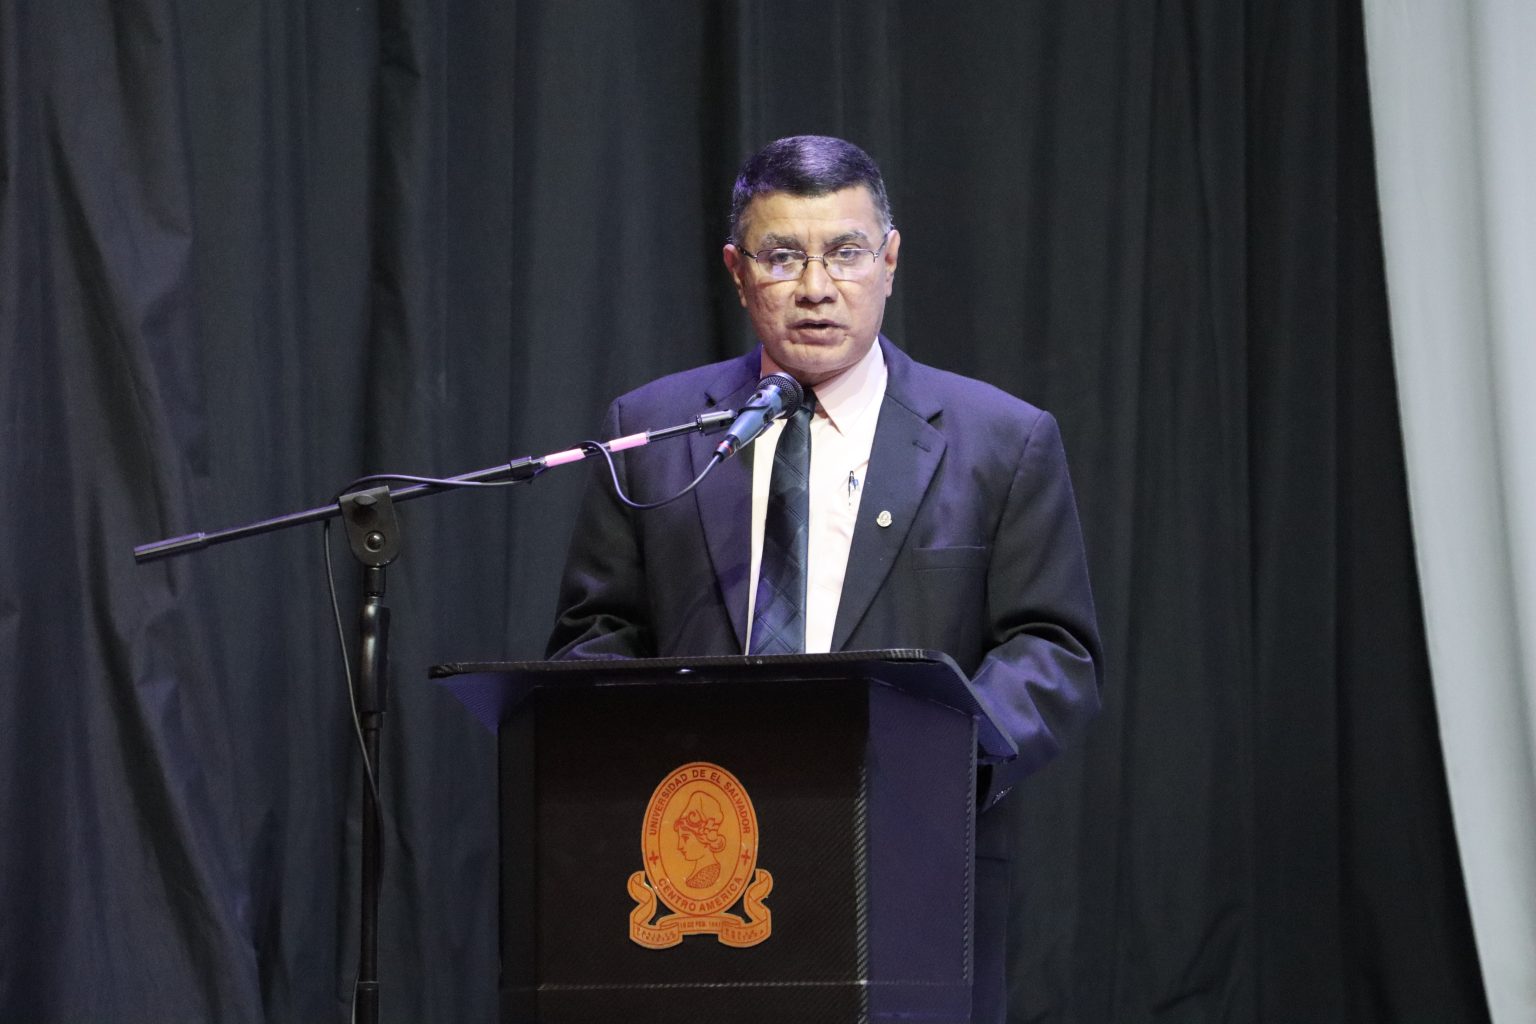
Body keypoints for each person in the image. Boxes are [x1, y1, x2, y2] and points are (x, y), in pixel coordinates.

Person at [547, 134, 1103, 1023]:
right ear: (737, 271)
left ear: (889, 261)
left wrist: (938, 761)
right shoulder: (655, 431)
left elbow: (1052, 648)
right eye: (781, 257)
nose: (815, 287)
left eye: (845, 252)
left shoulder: (1001, 440)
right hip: (698, 878)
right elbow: (594, 635)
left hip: (910, 870)